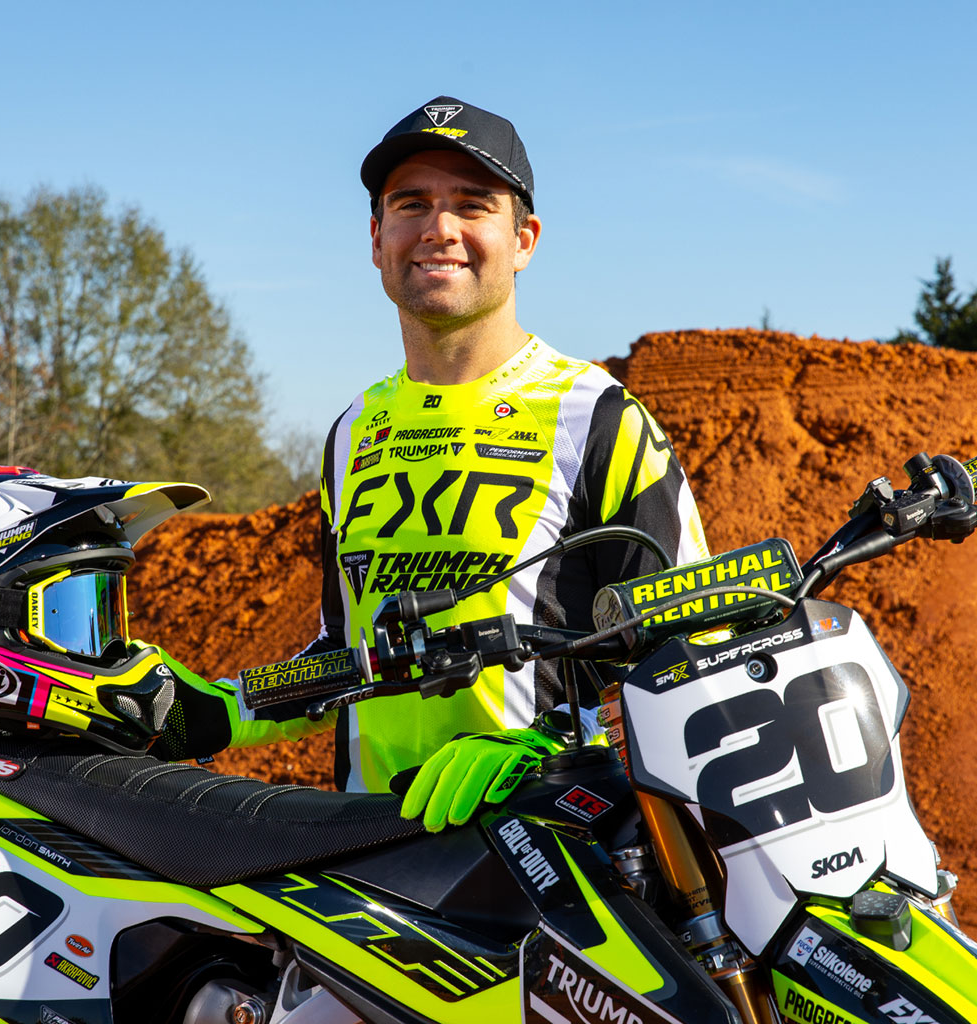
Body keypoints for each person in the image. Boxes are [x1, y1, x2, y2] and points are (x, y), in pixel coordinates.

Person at [159, 97, 710, 830]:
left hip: (553, 846)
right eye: (411, 203)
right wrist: (222, 709)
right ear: (377, 238)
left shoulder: (598, 417)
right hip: (371, 852)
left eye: (472, 205)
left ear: (524, 240)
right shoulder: (353, 430)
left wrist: (547, 749)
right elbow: (346, 651)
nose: (439, 228)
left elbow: (691, 653)